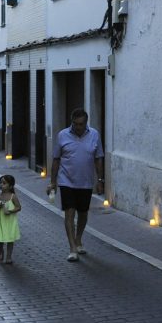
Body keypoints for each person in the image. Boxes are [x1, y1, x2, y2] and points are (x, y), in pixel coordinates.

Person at [47, 108, 104, 262]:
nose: (78, 127)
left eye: (81, 124)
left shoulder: (94, 135)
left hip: (86, 182)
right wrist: (53, 182)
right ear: (71, 122)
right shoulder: (62, 135)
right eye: (75, 124)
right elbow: (56, 159)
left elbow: (98, 158)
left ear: (86, 123)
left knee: (83, 214)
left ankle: (78, 239)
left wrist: (100, 180)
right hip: (66, 181)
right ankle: (72, 248)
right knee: (69, 214)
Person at [0, 175, 21, 264]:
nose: (1, 185)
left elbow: (18, 207)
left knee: (10, 239)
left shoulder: (13, 196)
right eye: (0, 182)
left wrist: (11, 211)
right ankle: (0, 250)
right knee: (0, 239)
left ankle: (9, 257)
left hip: (10, 222)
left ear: (11, 186)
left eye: (4, 183)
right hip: (1, 221)